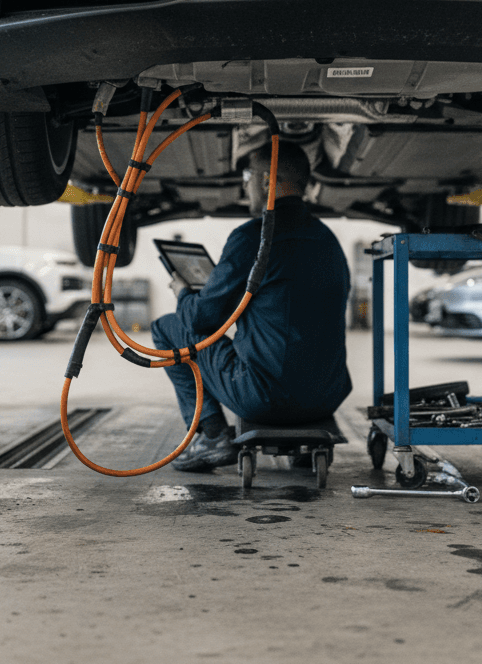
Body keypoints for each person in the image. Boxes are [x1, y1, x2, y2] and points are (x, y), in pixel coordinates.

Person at [150, 140, 352, 471]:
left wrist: (184, 292)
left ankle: (212, 434)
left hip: (267, 398)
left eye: (248, 175)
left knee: (168, 328)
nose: (245, 184)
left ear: (267, 181)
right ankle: (302, 446)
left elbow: (202, 320)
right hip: (326, 397)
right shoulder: (328, 240)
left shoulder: (253, 237)